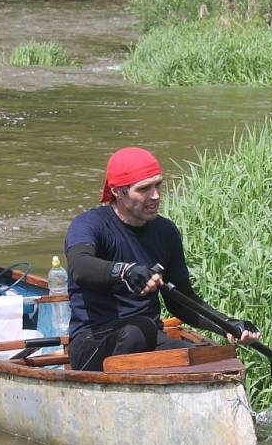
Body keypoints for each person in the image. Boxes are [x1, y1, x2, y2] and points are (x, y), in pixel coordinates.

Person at [64, 146, 261, 371]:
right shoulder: (89, 224)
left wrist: (227, 324)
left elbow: (182, 301)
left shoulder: (165, 231)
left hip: (147, 338)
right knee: (137, 331)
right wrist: (125, 271)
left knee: (207, 359)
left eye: (158, 185)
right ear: (118, 191)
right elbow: (80, 266)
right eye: (144, 189)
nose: (155, 195)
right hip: (93, 343)